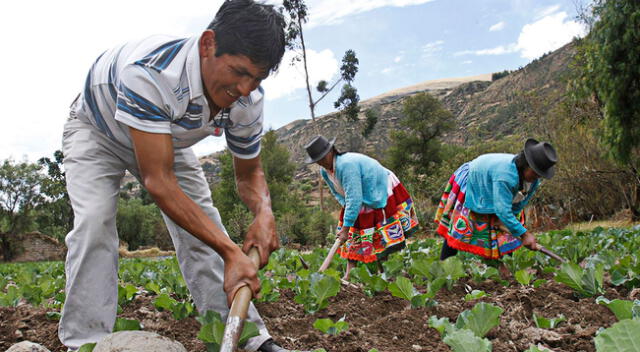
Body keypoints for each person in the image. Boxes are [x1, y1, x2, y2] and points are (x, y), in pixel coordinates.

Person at [59, 1, 303, 351]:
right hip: (98, 130)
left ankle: (248, 339)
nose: (246, 88)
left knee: (205, 225)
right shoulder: (151, 73)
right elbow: (158, 181)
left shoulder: (247, 101)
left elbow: (249, 174)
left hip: (164, 135)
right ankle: (86, 342)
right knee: (95, 220)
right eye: (238, 72)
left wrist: (264, 213)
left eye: (257, 77)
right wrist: (231, 251)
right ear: (208, 45)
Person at [304, 135, 419, 280]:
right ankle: (349, 275)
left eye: (322, 157)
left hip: (379, 190)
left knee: (381, 234)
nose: (320, 162)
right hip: (360, 197)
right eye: (317, 160)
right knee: (354, 235)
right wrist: (347, 209)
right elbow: (338, 193)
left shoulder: (346, 165)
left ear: (331, 151)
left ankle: (390, 272)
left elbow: (354, 197)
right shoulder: (325, 171)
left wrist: (346, 227)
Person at [434, 138, 557, 267]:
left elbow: (519, 204)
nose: (537, 177)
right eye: (535, 172)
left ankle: (503, 268)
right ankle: (443, 266)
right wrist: (525, 234)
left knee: (509, 230)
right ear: (526, 165)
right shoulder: (506, 176)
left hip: (493, 185)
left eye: (540, 174)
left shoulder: (533, 181)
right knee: (461, 226)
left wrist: (506, 222)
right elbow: (502, 210)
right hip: (474, 180)